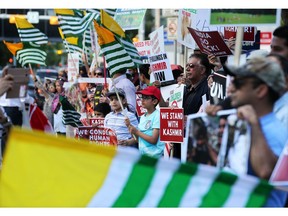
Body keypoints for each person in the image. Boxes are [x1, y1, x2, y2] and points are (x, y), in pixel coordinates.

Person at [224, 56, 288, 207]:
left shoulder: (278, 132)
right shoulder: (242, 122)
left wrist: (254, 124)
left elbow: (266, 172)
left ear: (260, 91)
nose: (231, 89)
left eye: (238, 83)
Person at [125, 86, 165, 158]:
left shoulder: (157, 115)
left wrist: (136, 132)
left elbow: (153, 140)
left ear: (154, 101)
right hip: (144, 156)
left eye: (146, 98)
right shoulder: (143, 117)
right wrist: (130, 128)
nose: (142, 100)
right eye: (142, 97)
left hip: (155, 156)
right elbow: (139, 140)